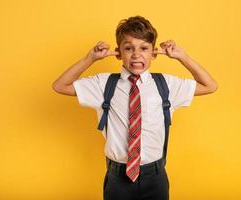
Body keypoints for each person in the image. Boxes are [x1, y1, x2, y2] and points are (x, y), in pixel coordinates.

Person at [53, 15, 218, 200]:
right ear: (118, 53)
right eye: (129, 48)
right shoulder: (103, 84)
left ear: (154, 53)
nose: (136, 54)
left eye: (144, 48)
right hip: (118, 177)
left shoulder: (166, 85)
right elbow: (60, 86)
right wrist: (89, 59)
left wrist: (183, 57)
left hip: (155, 175)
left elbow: (210, 86)